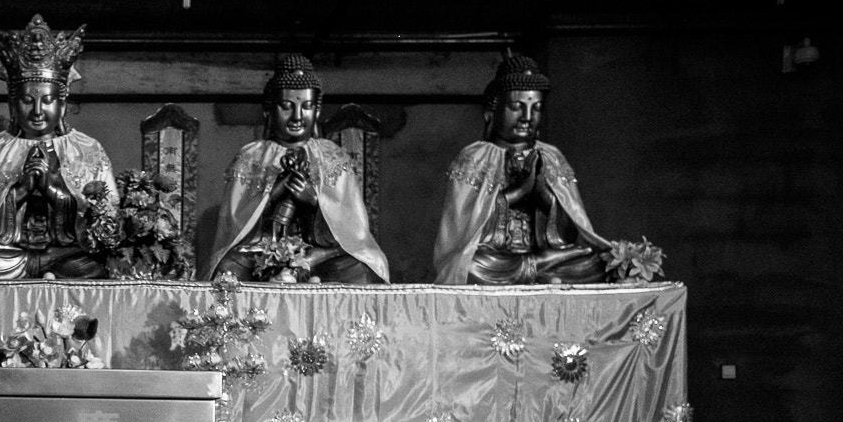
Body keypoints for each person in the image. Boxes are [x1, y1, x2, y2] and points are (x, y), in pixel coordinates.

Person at [0, 15, 118, 279]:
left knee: (95, 265)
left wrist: (53, 191)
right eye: (27, 100)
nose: (37, 110)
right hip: (9, 257)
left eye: (47, 100)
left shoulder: (87, 149)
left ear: (62, 103)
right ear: (13, 104)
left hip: (65, 255)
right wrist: (21, 190)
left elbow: (104, 225)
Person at [430, 51, 610, 284]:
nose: (527, 117)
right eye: (517, 106)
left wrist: (544, 196)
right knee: (472, 266)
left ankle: (537, 265)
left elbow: (571, 233)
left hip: (547, 255)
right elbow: (462, 236)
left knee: (596, 261)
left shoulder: (551, 156)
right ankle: (537, 267)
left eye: (536, 108)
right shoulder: (475, 156)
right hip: (495, 260)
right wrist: (518, 193)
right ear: (492, 112)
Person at [208, 54, 389, 284]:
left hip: (320, 253)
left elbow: (354, 230)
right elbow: (236, 226)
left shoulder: (332, 155)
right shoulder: (251, 155)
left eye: (307, 106)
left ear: (318, 110)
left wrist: (314, 202)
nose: (297, 116)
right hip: (262, 251)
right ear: (268, 110)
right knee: (227, 269)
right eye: (286, 106)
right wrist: (273, 194)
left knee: (362, 268)